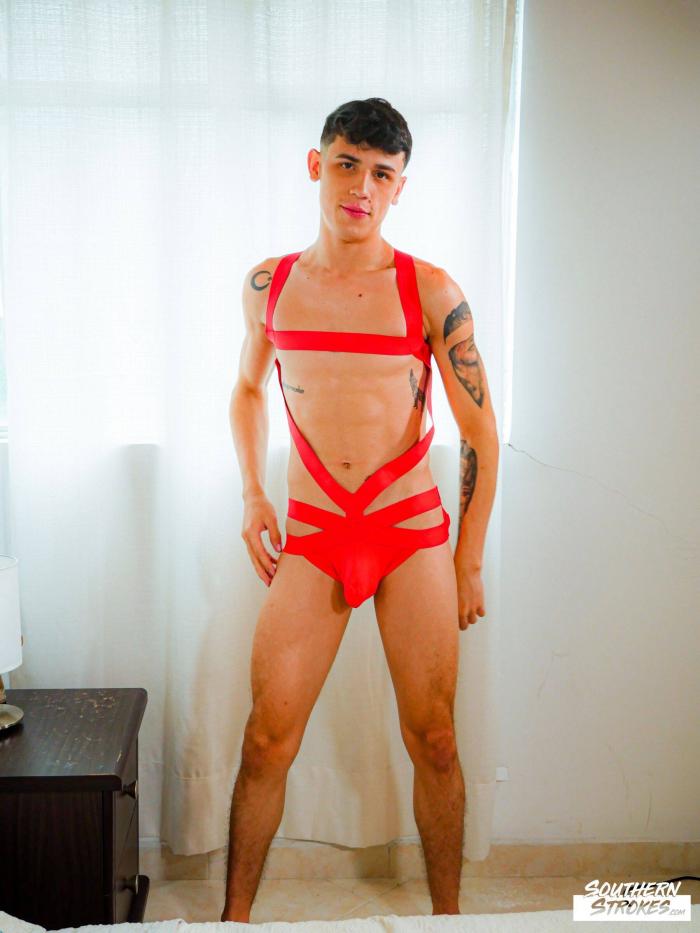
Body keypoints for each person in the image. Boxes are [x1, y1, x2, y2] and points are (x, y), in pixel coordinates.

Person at [222, 97, 499, 922]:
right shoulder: (269, 284)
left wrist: (468, 559)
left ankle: (447, 918)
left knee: (435, 738)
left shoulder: (429, 289)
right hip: (314, 532)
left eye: (382, 174)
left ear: (400, 187)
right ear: (317, 165)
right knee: (265, 740)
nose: (362, 188)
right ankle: (232, 920)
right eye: (347, 165)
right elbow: (247, 390)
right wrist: (252, 492)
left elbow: (481, 429)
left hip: (409, 532)